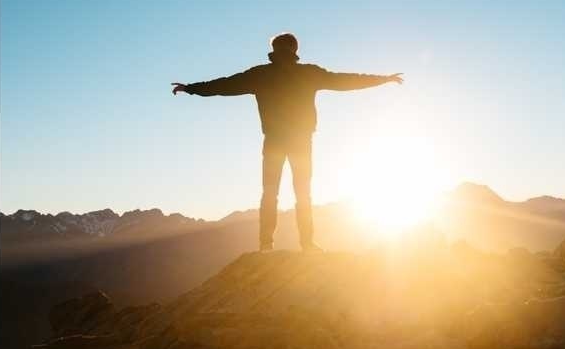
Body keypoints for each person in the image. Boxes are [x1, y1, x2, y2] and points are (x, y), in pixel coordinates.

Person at [172, 32, 403, 252]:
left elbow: (223, 85)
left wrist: (190, 88)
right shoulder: (309, 73)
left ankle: (266, 245)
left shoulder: (260, 74)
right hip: (301, 141)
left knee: (270, 193)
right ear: (295, 49)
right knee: (303, 193)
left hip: (274, 141)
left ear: (273, 49)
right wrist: (383, 79)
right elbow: (345, 80)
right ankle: (308, 245)